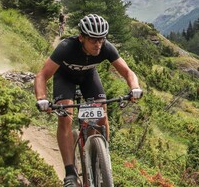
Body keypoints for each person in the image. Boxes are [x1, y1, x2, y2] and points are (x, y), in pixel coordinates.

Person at [34, 14, 142, 187]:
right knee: (65, 116)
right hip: (65, 78)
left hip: (88, 77)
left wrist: (135, 88)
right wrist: (42, 99)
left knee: (101, 115)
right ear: (81, 38)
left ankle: (101, 157)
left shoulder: (106, 48)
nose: (98, 44)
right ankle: (70, 173)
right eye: (93, 40)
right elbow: (42, 76)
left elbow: (128, 72)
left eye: (101, 39)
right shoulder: (66, 47)